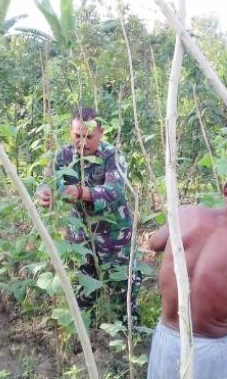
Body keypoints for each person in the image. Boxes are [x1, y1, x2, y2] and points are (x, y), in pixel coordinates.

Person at [146, 157, 227, 379]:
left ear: (226, 188)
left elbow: (154, 243)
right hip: (212, 352)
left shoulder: (186, 215)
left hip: (167, 342)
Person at [36, 106, 141, 323]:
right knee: (82, 290)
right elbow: (49, 181)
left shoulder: (112, 156)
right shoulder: (64, 156)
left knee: (123, 291)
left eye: (89, 137)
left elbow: (115, 191)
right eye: (77, 136)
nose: (82, 142)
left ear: (101, 133)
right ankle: (87, 337)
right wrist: (44, 193)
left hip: (114, 237)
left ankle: (128, 336)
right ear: (70, 132)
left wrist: (81, 192)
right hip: (80, 236)